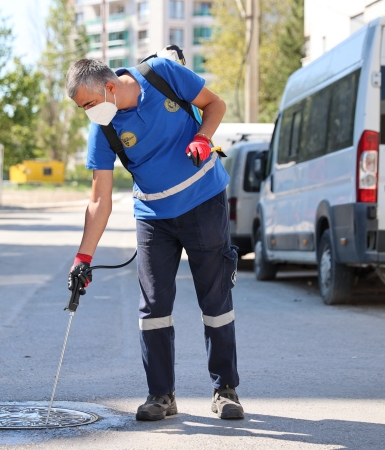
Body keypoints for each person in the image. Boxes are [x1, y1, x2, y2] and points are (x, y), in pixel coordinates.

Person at [65, 58, 243, 421]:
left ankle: (225, 389)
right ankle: (161, 394)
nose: (88, 113)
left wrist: (202, 137)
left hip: (203, 202)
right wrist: (83, 257)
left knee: (215, 298)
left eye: (88, 104)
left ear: (110, 87)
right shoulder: (103, 128)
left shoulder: (162, 74)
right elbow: (100, 197)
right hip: (154, 218)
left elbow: (215, 104)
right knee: (154, 307)